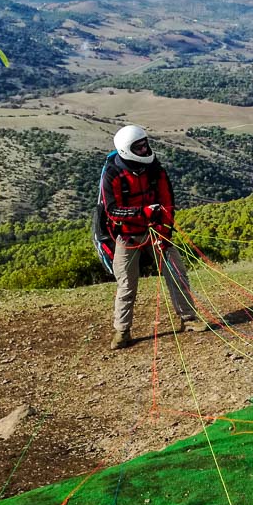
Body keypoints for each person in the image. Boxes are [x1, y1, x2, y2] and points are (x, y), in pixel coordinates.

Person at [101, 125, 205, 350]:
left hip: (156, 231)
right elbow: (112, 210)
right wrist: (143, 212)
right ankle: (122, 331)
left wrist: (164, 232)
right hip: (127, 236)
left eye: (145, 145)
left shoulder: (155, 169)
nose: (144, 150)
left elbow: (168, 202)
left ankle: (188, 319)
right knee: (127, 283)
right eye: (138, 147)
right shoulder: (113, 174)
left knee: (177, 273)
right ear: (126, 150)